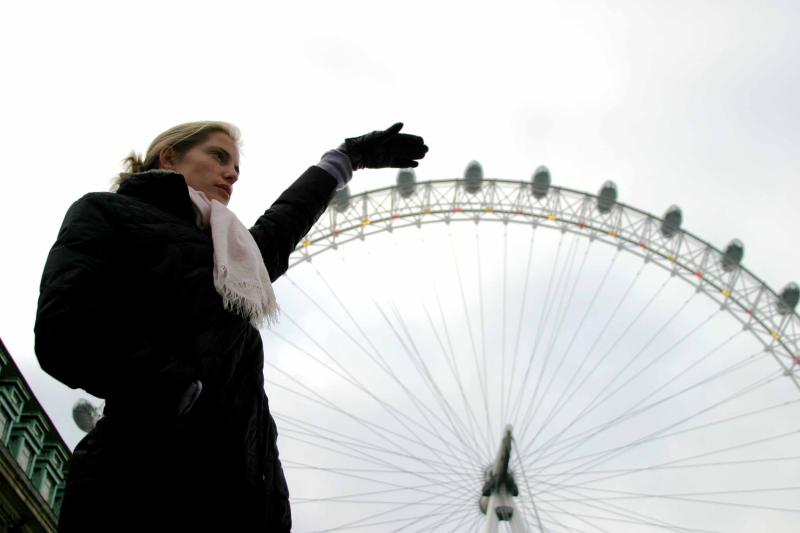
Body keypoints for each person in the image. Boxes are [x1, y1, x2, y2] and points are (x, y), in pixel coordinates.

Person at [34, 121, 428, 532]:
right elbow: (64, 326)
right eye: (218, 156)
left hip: (239, 505)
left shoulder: (232, 256)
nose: (233, 173)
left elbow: (283, 224)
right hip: (142, 484)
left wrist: (347, 158)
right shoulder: (106, 213)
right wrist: (175, 389)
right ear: (169, 156)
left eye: (236, 165)